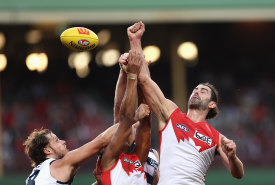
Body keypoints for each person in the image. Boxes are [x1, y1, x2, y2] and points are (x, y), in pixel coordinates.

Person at [122, 21, 244, 185]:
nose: (196, 92)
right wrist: (135, 41)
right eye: (195, 89)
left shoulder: (215, 137)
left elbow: (238, 174)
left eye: (203, 91)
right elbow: (143, 80)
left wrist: (233, 156)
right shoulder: (172, 114)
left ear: (212, 105)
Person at [95, 49, 151, 185]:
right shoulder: (111, 159)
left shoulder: (143, 157)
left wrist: (128, 72)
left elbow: (123, 113)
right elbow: (123, 117)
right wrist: (130, 73)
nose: (134, 125)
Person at [24, 123, 118, 185]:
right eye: (57, 141)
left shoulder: (39, 174)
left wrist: (98, 183)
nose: (63, 142)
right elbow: (102, 140)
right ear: (47, 151)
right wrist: (127, 120)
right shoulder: (57, 165)